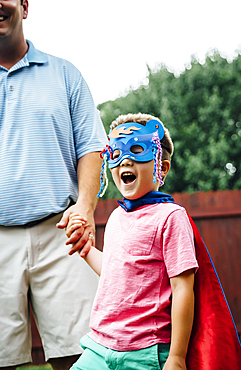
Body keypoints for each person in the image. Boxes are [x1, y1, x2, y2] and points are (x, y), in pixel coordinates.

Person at [0, 1, 107, 369]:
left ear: (25, 7)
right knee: (0, 361)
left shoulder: (65, 74)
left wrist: (85, 207)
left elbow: (92, 146)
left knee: (85, 356)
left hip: (63, 236)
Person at [66, 113, 199, 370]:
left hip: (145, 352)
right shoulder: (117, 216)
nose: (126, 159)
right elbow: (116, 271)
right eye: (116, 154)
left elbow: (183, 289)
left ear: (161, 168)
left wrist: (177, 356)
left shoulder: (171, 217)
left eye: (137, 150)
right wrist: (85, 248)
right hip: (99, 346)